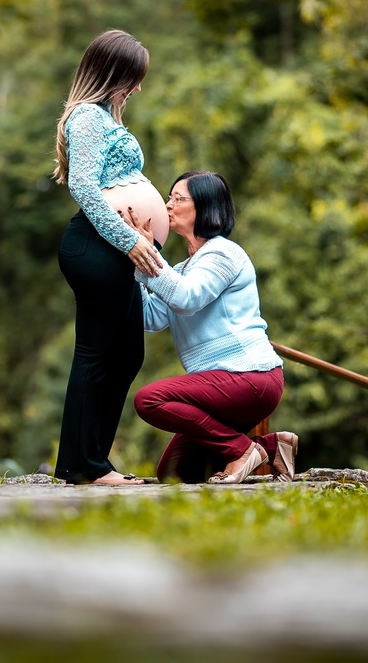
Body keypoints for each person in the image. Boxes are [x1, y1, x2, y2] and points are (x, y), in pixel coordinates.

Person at [124, 170, 298, 484]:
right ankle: (271, 447)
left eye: (178, 199)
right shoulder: (180, 269)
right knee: (176, 473)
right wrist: (133, 266)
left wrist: (148, 258)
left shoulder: (223, 253)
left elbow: (187, 297)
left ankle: (242, 450)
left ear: (205, 207)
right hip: (220, 386)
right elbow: (149, 318)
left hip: (251, 377)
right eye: (169, 198)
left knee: (149, 400)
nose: (167, 206)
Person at [52, 29, 169, 485]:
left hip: (116, 248)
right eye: (132, 78)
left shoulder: (104, 118)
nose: (137, 88)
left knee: (126, 352)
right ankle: (84, 466)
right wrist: (128, 239)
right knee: (98, 353)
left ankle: (92, 460)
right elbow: (83, 186)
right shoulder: (86, 117)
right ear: (111, 74)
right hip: (97, 246)